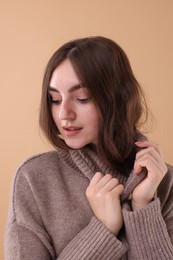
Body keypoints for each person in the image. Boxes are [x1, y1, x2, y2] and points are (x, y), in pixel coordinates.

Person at [5, 36, 173, 259]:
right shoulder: (34, 179)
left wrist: (143, 207)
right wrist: (103, 230)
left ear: (117, 99)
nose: (64, 113)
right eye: (55, 99)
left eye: (82, 98)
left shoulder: (163, 181)